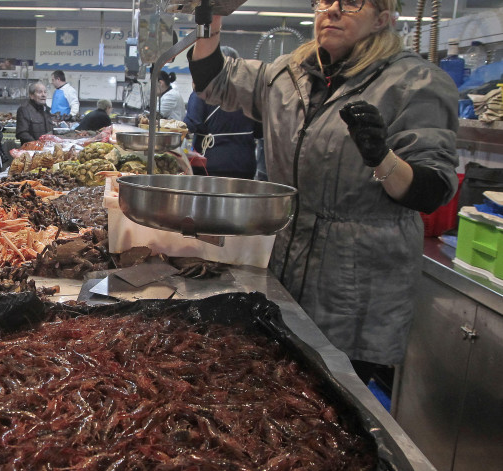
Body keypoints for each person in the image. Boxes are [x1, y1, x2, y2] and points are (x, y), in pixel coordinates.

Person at [188, 0, 459, 384]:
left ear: (383, 18)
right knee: (273, 380)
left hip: (356, 279)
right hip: (287, 258)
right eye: (323, 1)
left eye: (350, 3)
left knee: (338, 395)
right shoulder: (287, 74)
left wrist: (382, 157)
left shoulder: (415, 83)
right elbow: (214, 79)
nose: (331, 11)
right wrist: (210, 19)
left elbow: (431, 190)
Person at [184, 47, 259, 179]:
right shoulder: (250, 94)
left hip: (211, 164)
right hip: (245, 163)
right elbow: (259, 131)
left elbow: (190, 124)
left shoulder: (202, 93)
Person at [15, 81, 54, 145]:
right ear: (31, 95)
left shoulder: (46, 110)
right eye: (39, 92)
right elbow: (22, 133)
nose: (43, 95)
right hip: (31, 151)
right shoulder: (24, 110)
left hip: (46, 149)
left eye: (45, 92)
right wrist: (37, 144)